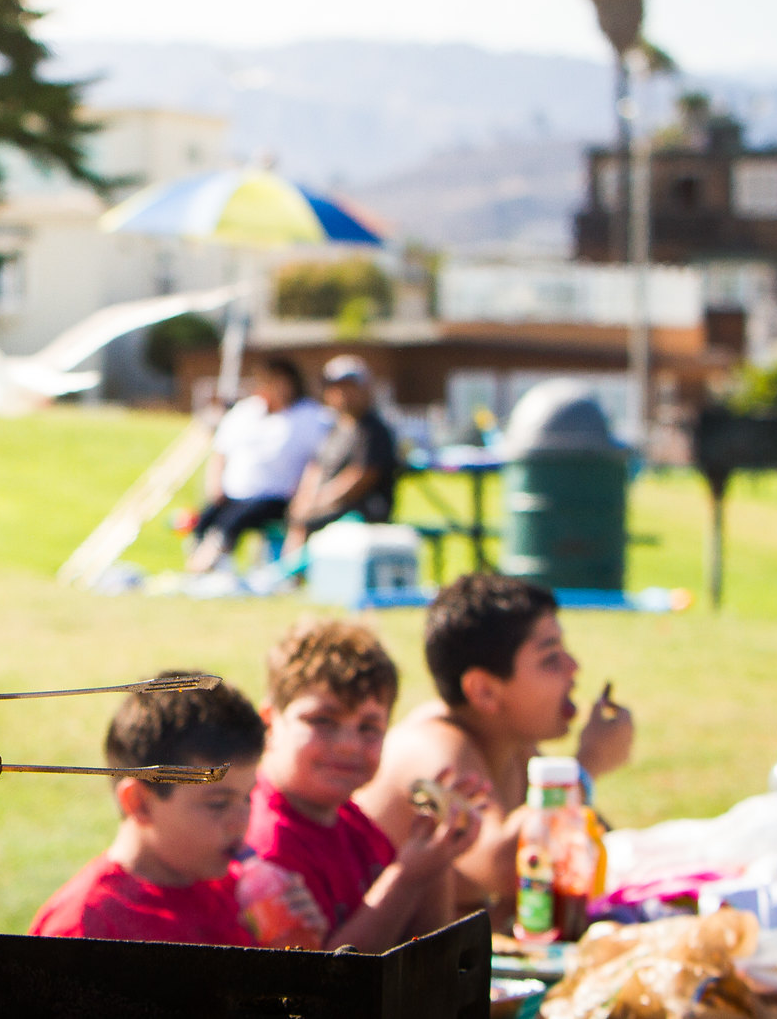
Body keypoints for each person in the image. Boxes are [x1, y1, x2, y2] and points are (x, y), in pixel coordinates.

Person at [356, 574, 631, 930]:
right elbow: (505, 866)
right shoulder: (434, 748)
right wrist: (586, 766)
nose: (573, 668)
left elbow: (591, 846)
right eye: (550, 658)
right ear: (484, 691)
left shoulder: (513, 745)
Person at [245, 619, 482, 951]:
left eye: (369, 727)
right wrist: (406, 877)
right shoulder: (265, 847)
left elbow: (427, 951)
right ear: (270, 722)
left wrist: (436, 853)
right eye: (322, 721)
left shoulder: (351, 821)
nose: (348, 745)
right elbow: (326, 983)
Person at [30, 672, 273, 945]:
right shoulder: (84, 927)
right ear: (140, 803)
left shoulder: (236, 891)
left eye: (249, 797)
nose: (241, 821)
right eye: (218, 804)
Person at [187, 358, 330, 573]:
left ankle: (205, 565)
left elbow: (319, 460)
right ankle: (208, 570)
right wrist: (215, 484)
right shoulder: (246, 412)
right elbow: (220, 450)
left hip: (276, 496)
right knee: (206, 520)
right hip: (234, 493)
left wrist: (305, 494)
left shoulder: (311, 416)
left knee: (234, 522)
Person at [282, 355, 399, 555]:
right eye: (336, 387)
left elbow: (362, 476)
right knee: (293, 516)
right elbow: (316, 467)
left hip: (362, 509)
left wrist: (319, 502)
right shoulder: (334, 428)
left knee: (309, 521)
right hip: (328, 504)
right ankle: (285, 572)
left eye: (349, 387)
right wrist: (305, 499)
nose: (342, 393)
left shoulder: (373, 430)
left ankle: (292, 574)